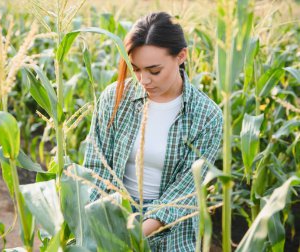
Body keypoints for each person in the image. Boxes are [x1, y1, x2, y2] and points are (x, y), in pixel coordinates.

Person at [83, 12, 222, 251]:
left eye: (154, 71)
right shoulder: (115, 98)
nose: (143, 80)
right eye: (135, 69)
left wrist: (134, 236)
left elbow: (185, 190)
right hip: (113, 213)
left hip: (172, 230)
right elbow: (97, 166)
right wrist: (108, 227)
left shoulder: (206, 116)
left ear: (181, 56)